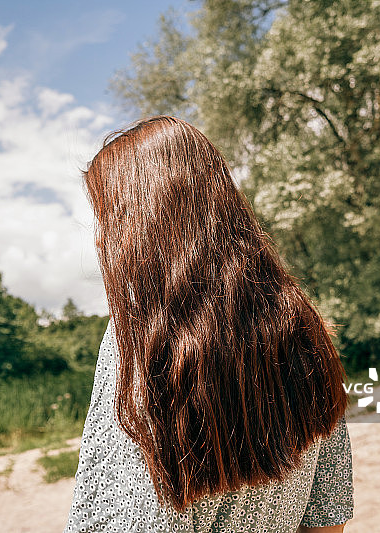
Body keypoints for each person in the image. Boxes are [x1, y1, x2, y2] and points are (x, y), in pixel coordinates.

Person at [65, 116, 353, 533]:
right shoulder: (301, 323)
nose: (98, 238)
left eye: (107, 215)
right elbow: (328, 510)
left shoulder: (138, 341)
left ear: (145, 221)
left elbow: (122, 520)